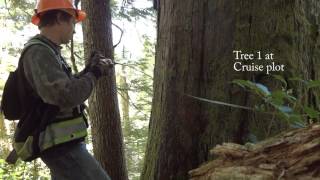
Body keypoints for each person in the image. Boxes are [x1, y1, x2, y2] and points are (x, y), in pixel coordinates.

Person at [11, 0, 112, 179]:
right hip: (61, 145)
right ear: (59, 18)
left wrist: (89, 70)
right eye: (72, 22)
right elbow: (66, 96)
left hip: (63, 142)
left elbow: (66, 87)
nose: (74, 29)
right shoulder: (38, 52)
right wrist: (94, 73)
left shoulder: (49, 52)